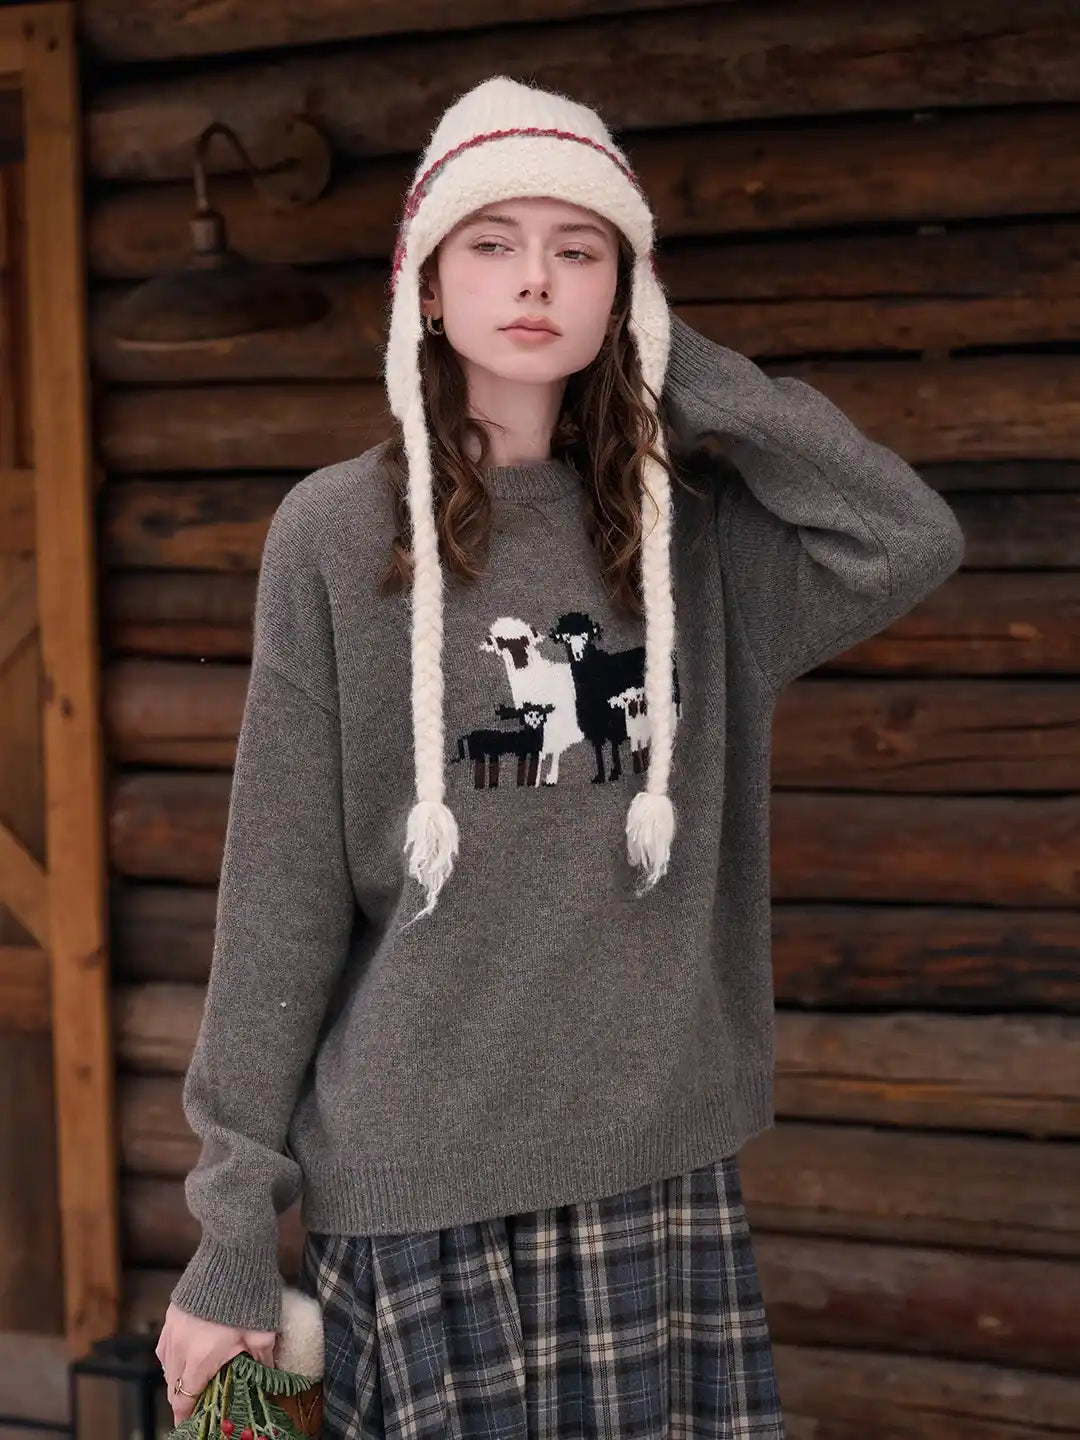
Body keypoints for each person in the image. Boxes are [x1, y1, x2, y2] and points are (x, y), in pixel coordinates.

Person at [155, 75, 966, 1438]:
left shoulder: (695, 542)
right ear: (426, 288)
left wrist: (680, 363)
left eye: (579, 250)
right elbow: (278, 897)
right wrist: (233, 1221)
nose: (535, 278)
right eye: (492, 242)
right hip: (419, 1183)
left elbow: (906, 537)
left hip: (656, 1162)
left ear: (624, 293)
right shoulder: (337, 535)